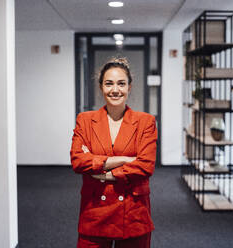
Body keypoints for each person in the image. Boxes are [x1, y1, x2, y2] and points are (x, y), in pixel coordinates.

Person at [70, 57, 158, 248]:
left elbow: (145, 166)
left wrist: (105, 173)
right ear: (101, 87)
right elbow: (78, 161)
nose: (115, 90)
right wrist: (125, 160)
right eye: (109, 83)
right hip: (94, 211)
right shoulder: (85, 120)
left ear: (129, 87)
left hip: (133, 210)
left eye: (121, 84)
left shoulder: (146, 122)